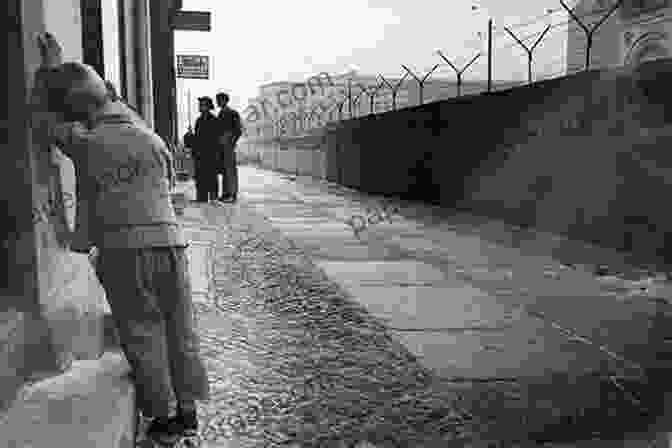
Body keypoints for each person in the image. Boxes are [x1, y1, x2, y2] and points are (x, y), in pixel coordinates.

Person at [35, 33, 209, 445]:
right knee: (178, 328)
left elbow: (45, 122)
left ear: (77, 111)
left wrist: (48, 70)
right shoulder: (150, 138)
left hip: (125, 251)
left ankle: (163, 416)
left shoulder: (87, 142)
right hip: (171, 244)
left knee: (141, 330)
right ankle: (188, 407)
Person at [192, 97, 221, 202]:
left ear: (208, 106)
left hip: (210, 153)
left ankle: (213, 197)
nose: (200, 107)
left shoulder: (214, 120)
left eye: (202, 104)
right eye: (200, 104)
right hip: (200, 154)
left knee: (211, 176)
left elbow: (216, 138)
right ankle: (201, 197)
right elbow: (197, 138)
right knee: (200, 176)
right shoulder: (198, 120)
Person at [215, 92, 243, 202]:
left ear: (224, 100)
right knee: (224, 170)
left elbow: (238, 130)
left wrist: (231, 141)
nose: (217, 102)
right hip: (221, 146)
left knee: (230, 170)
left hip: (228, 146)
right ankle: (226, 194)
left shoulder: (232, 113)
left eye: (219, 100)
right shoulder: (221, 113)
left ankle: (232, 194)